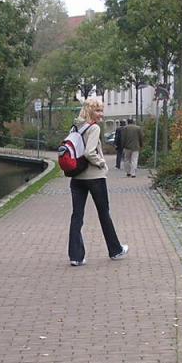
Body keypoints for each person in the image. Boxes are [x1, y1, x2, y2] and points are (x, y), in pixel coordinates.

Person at [68, 97, 128, 266]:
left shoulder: (75, 127)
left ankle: (76, 256)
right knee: (104, 213)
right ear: (90, 111)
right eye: (98, 110)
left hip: (76, 177)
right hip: (94, 177)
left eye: (101, 110)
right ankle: (115, 250)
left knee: (77, 216)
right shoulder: (93, 128)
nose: (101, 114)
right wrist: (101, 163)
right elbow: (89, 152)